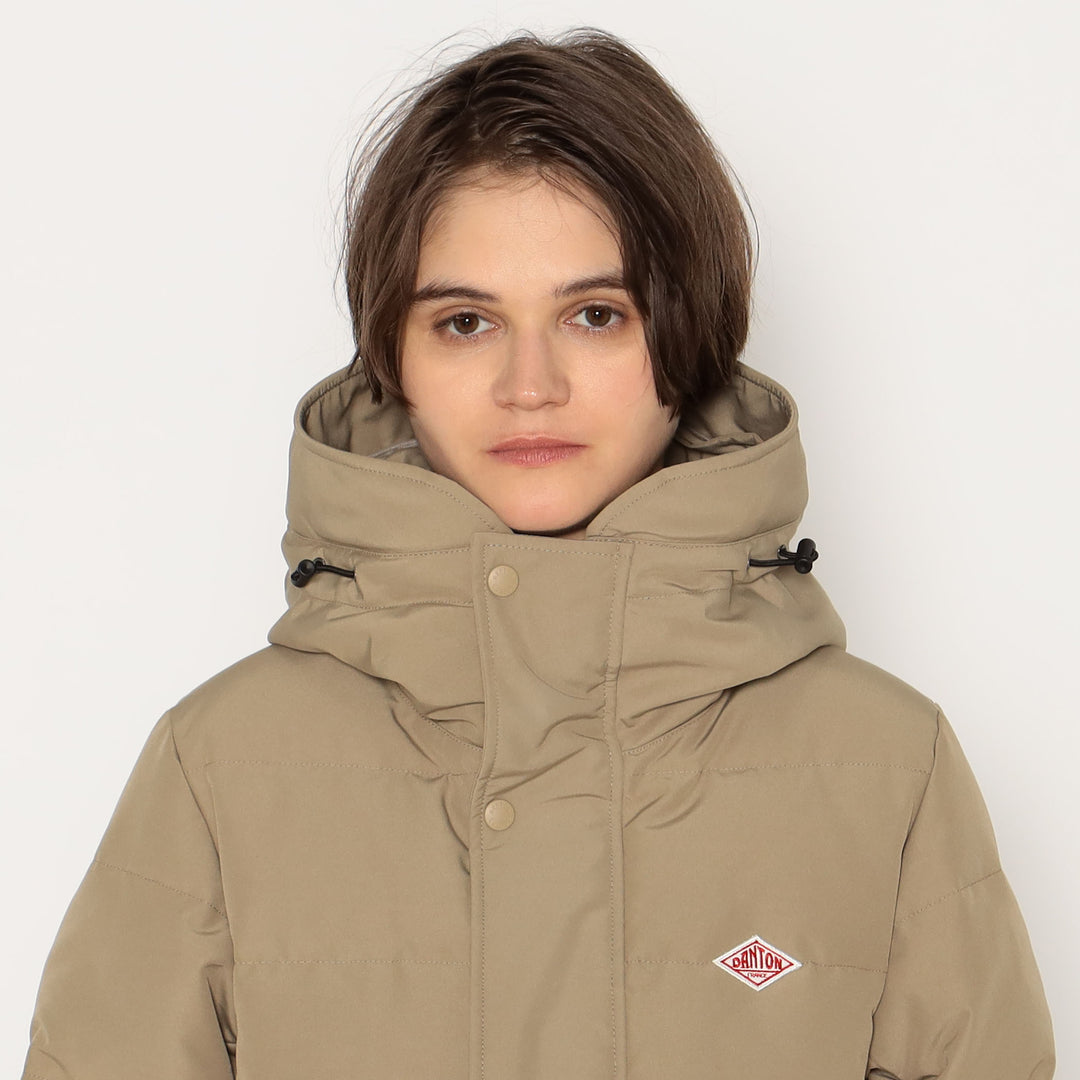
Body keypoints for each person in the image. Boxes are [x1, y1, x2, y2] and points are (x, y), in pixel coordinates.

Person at [19, 28, 1054, 1080]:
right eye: (466, 322)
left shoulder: (886, 768)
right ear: (393, 357)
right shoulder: (222, 768)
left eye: (595, 315)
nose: (530, 386)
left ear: (689, 332)